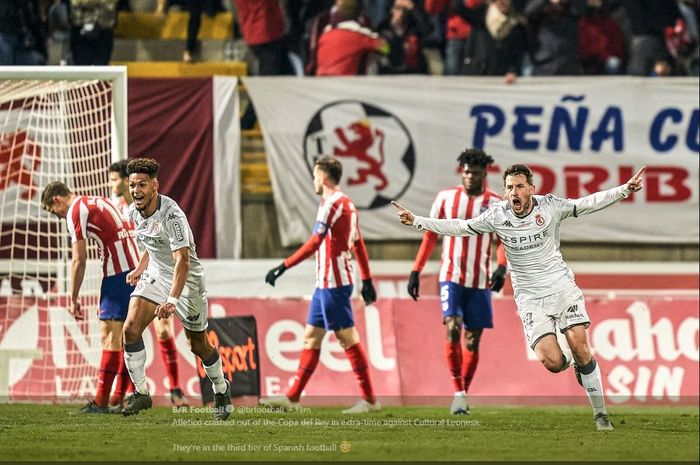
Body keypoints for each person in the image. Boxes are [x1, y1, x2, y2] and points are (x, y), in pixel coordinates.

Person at [393, 163, 647, 431]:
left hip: (561, 288)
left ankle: (600, 415)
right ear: (505, 191)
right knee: (553, 362)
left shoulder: (549, 206)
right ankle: (576, 365)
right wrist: (418, 221)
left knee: (580, 346)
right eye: (510, 187)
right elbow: (461, 226)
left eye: (520, 186)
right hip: (529, 298)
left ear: (531, 189)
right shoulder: (497, 215)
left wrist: (623, 190)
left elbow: (586, 203)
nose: (514, 192)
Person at [260, 155, 380, 414]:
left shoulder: (331, 204)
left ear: (324, 176)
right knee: (311, 337)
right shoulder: (348, 204)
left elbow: (315, 242)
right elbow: (358, 243)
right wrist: (367, 279)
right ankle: (292, 398)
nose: (313, 180)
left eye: (315, 175)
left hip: (333, 283)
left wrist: (283, 266)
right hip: (325, 283)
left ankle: (370, 400)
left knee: (346, 337)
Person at [120, 158, 231, 420]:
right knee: (130, 328)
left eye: (142, 185)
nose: (136, 191)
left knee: (198, 345)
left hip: (188, 283)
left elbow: (182, 260)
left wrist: (172, 299)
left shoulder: (173, 215)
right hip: (157, 275)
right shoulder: (133, 212)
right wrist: (139, 268)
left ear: (155, 186)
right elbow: (151, 244)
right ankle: (141, 393)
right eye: (133, 185)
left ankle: (220, 388)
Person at [407, 149, 507, 415]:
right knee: (452, 327)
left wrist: (501, 267)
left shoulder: (496, 203)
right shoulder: (445, 199)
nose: (469, 177)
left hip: (480, 280)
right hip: (450, 277)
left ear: (484, 174)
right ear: (461, 172)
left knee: (472, 340)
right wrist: (416, 270)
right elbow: (430, 235)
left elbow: (503, 241)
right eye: (466, 172)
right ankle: (459, 393)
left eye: (475, 173)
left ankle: (462, 395)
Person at [41, 181, 139, 414]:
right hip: (135, 267)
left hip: (119, 273)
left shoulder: (74, 210)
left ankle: (101, 402)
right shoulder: (95, 200)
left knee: (110, 336)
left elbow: (79, 259)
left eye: (53, 211)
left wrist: (73, 297)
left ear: (56, 200)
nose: (56, 216)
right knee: (126, 337)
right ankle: (117, 398)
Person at [108, 161, 188, 408]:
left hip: (161, 274)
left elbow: (164, 247)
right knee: (128, 331)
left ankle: (175, 390)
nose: (113, 185)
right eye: (131, 184)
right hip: (137, 275)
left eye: (115, 180)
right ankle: (129, 393)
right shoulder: (121, 209)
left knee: (164, 331)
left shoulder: (157, 209)